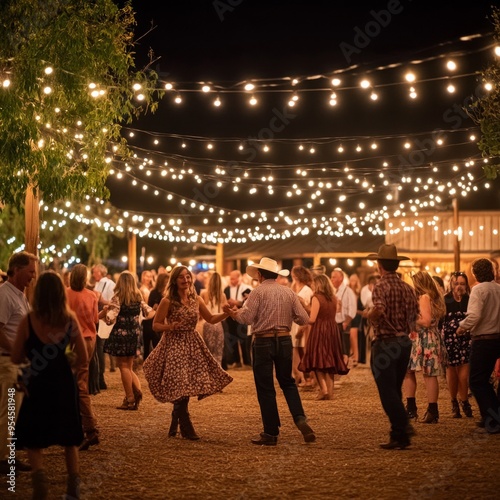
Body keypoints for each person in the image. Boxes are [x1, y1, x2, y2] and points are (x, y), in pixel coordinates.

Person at [11, 271, 87, 499]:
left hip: (36, 382)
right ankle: (73, 486)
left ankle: (39, 482)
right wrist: (68, 360)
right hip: (63, 381)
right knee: (69, 438)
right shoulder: (69, 319)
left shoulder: (29, 320)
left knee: (34, 436)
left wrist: (33, 356)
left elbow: (15, 356)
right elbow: (83, 356)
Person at [224, 257, 316, 446]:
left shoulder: (257, 293)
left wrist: (234, 314)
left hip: (263, 341)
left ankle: (271, 432)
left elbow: (247, 318)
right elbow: (304, 319)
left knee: (265, 387)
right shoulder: (288, 293)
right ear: (276, 275)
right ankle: (300, 418)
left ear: (259, 274)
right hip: (284, 339)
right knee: (288, 382)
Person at [143, 266, 232, 440]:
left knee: (187, 385)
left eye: (188, 277)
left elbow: (211, 318)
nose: (186, 280)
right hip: (174, 344)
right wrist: (170, 327)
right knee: (181, 385)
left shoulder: (196, 299)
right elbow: (155, 324)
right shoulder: (167, 301)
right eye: (182, 277)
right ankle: (186, 426)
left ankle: (176, 417)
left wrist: (226, 314)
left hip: (192, 343)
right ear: (174, 281)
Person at [365, 244, 419, 450]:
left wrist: (370, 315)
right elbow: (415, 316)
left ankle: (402, 424)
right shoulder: (407, 288)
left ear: (379, 265)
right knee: (395, 389)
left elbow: (379, 310)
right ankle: (399, 436)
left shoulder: (380, 286)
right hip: (403, 342)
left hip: (386, 342)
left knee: (387, 391)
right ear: (396, 265)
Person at [0, 251, 37, 475]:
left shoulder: (20, 295)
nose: (33, 276)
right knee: (9, 411)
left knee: (12, 411)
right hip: (8, 362)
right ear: (16, 270)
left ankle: (7, 454)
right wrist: (16, 351)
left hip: (16, 362)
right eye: (30, 272)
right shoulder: (5, 295)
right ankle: (4, 459)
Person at [457, 258, 500, 434]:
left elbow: (474, 316)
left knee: (476, 381)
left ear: (475, 274)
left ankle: (492, 419)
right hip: (498, 337)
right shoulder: (498, 288)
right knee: (487, 381)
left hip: (483, 340)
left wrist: (461, 327)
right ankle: (491, 416)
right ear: (492, 271)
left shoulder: (478, 290)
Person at [102, 271, 155, 410]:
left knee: (123, 366)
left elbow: (110, 319)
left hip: (121, 335)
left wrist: (104, 312)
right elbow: (150, 313)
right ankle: (137, 394)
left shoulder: (117, 297)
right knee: (129, 367)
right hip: (134, 334)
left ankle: (130, 398)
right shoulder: (138, 297)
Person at [404, 271, 447, 424]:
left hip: (424, 338)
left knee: (423, 374)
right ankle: (429, 409)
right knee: (422, 373)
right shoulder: (434, 297)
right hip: (425, 337)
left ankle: (416, 409)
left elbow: (426, 321)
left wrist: (409, 315)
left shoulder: (424, 297)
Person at [66, 264, 101, 452]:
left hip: (73, 341)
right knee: (81, 383)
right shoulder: (92, 295)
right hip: (90, 340)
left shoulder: (66, 293)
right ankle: (83, 426)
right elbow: (95, 320)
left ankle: (90, 429)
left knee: (77, 386)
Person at [298, 274, 349, 400]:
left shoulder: (316, 297)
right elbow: (334, 312)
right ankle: (330, 392)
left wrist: (302, 317)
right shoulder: (334, 298)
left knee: (317, 360)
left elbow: (313, 318)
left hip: (320, 330)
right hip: (332, 330)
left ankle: (323, 390)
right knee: (330, 361)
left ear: (318, 284)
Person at [442, 271, 473, 418]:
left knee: (464, 374)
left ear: (466, 285)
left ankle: (465, 401)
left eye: (462, 283)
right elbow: (441, 321)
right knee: (452, 372)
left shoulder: (470, 299)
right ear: (451, 285)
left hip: (466, 339)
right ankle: (454, 401)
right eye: (456, 283)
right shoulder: (446, 299)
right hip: (449, 340)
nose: (459, 286)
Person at [92, 264, 116, 390]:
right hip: (103, 316)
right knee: (100, 347)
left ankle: (100, 378)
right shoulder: (106, 283)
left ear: (100, 272)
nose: (93, 274)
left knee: (99, 347)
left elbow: (102, 299)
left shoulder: (105, 283)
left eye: (95, 271)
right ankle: (99, 377)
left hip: (102, 316)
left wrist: (101, 301)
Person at [290, 266, 314, 386]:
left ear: (296, 276)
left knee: (305, 350)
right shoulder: (297, 288)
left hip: (303, 324)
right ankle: (300, 375)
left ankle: (308, 377)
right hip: (295, 323)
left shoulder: (306, 291)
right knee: (298, 350)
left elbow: (306, 309)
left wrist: (302, 326)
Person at [223, 270, 252, 369]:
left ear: (239, 277)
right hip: (230, 317)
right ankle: (236, 361)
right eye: (230, 278)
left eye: (233, 278)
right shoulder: (226, 289)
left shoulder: (246, 288)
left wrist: (237, 303)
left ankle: (247, 362)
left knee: (244, 339)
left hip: (242, 316)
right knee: (232, 338)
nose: (231, 280)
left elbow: (249, 302)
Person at [330, 268, 357, 364]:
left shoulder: (348, 291)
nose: (331, 279)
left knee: (344, 346)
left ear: (340, 278)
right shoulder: (333, 291)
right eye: (331, 277)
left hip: (343, 322)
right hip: (334, 323)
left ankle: (344, 364)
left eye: (334, 277)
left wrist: (346, 322)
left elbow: (352, 309)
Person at [200, 272, 228, 365]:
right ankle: (218, 369)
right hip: (218, 324)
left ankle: (208, 371)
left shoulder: (203, 293)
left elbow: (200, 311)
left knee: (207, 350)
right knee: (218, 350)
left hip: (207, 323)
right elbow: (225, 311)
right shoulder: (222, 295)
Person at [142, 272, 169, 360]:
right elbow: (150, 308)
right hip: (152, 321)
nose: (167, 283)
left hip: (163, 321)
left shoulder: (168, 293)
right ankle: (147, 363)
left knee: (159, 345)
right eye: (166, 281)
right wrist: (155, 307)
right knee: (151, 344)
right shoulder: (154, 292)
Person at [348, 273, 362, 367]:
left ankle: (356, 357)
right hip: (349, 314)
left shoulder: (359, 292)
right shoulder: (347, 290)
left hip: (356, 315)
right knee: (349, 336)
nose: (353, 282)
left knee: (354, 336)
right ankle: (352, 356)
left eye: (354, 280)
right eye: (351, 280)